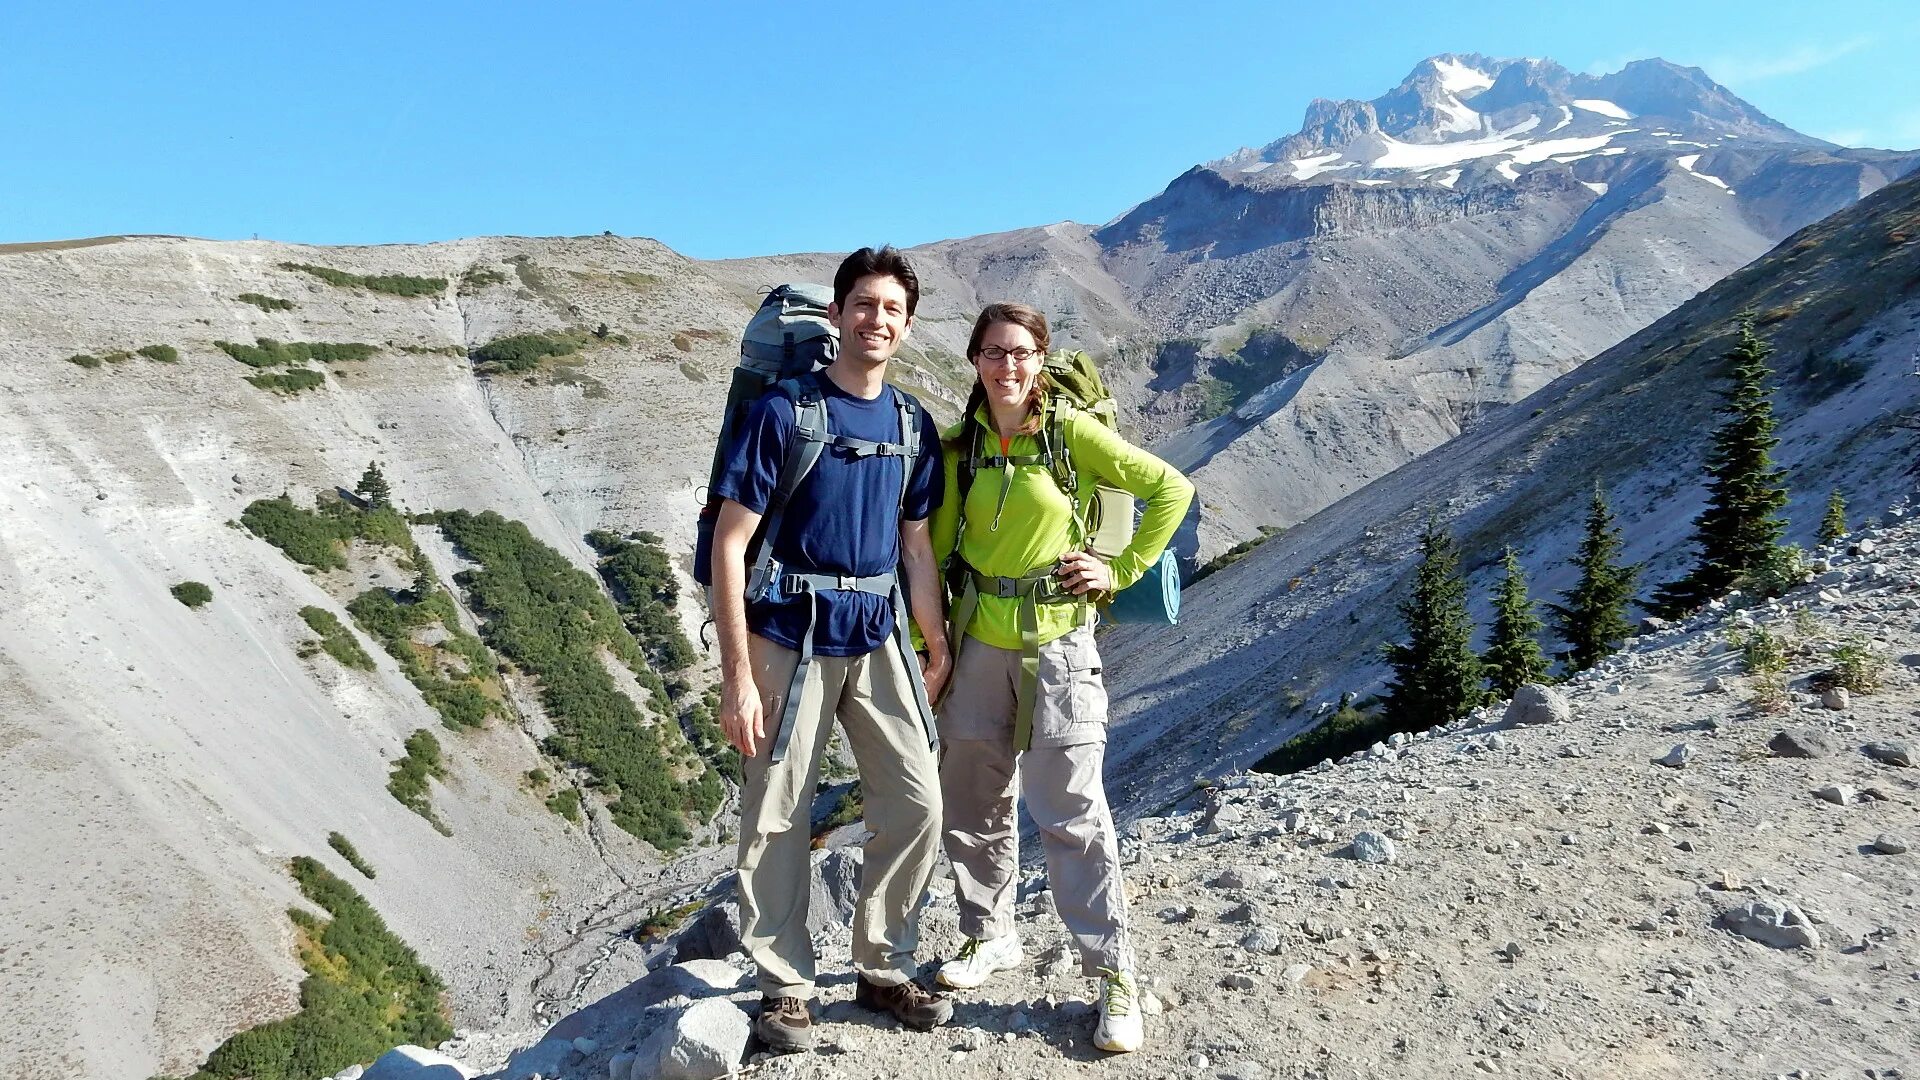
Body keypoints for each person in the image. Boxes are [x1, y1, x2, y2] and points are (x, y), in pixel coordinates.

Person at [929, 302, 1193, 1054]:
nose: (1007, 367)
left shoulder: (1070, 434)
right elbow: (941, 552)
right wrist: (933, 645)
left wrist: (1121, 567)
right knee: (974, 802)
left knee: (1072, 813)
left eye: (1021, 354)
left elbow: (1171, 488)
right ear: (974, 360)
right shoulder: (962, 450)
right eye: (993, 353)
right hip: (978, 643)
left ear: (1040, 360)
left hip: (1060, 647)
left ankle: (1114, 976)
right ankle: (990, 935)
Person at [710, 246, 953, 1051]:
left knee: (918, 799)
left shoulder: (913, 425)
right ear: (836, 314)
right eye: (862, 304)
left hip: (878, 631)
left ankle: (883, 965)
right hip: (789, 631)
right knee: (776, 809)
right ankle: (784, 984)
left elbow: (915, 549)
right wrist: (737, 678)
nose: (875, 319)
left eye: (891, 309)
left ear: (907, 326)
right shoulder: (782, 413)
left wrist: (936, 641)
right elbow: (730, 546)